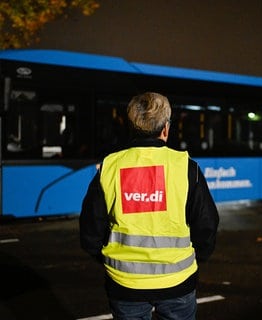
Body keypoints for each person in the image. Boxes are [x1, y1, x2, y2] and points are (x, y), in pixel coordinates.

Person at [79, 92, 219, 320]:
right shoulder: (186, 167)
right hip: (178, 282)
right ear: (165, 128)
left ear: (131, 127)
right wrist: (196, 259)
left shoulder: (110, 166)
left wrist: (108, 259)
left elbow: (90, 229)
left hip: (124, 284)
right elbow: (207, 224)